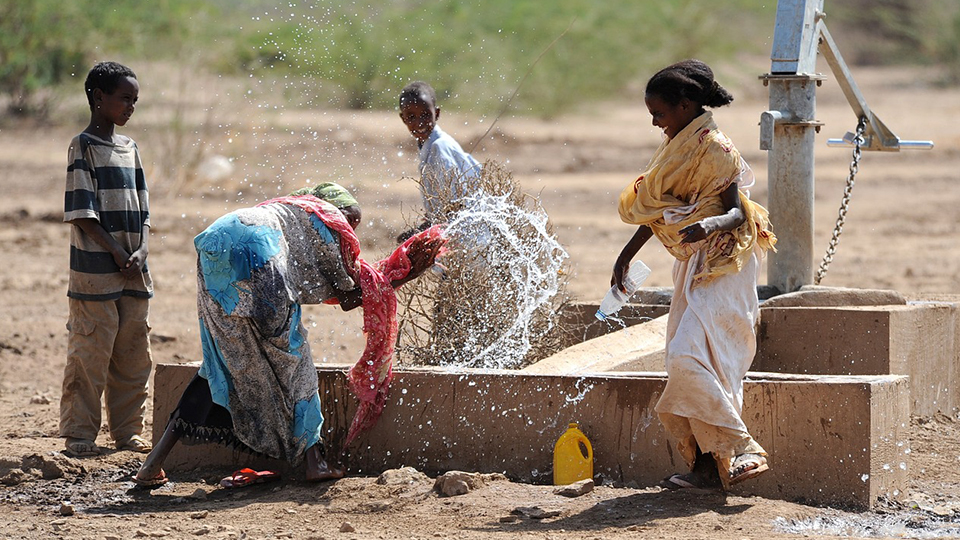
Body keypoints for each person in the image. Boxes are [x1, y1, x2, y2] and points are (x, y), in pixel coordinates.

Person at [134, 183, 445, 487]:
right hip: (261, 256)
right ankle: (315, 462)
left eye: (356, 223)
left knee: (220, 360)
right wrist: (405, 271)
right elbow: (350, 297)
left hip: (216, 244)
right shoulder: (327, 220)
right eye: (350, 217)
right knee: (295, 360)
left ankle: (153, 464)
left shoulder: (287, 211)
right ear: (332, 207)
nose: (351, 228)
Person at [611, 60, 777, 490]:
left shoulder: (716, 148)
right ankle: (707, 468)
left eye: (659, 113)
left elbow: (737, 211)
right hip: (691, 260)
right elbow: (662, 208)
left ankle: (742, 449)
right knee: (688, 360)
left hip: (725, 260)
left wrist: (710, 225)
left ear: (686, 105)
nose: (654, 122)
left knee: (695, 356)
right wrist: (626, 254)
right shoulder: (674, 146)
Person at [59, 61, 154, 457]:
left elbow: (144, 209)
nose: (130, 106)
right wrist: (116, 251)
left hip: (133, 271)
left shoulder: (130, 148)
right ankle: (79, 435)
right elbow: (82, 212)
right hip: (96, 273)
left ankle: (128, 432)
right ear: (99, 98)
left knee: (133, 354)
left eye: (135, 100)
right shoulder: (82, 146)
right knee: (90, 353)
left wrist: (141, 249)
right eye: (123, 99)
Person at [397, 81, 482, 242]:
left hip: (468, 232)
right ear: (403, 118)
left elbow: (454, 206)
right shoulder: (427, 145)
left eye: (425, 115)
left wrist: (424, 230)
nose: (419, 123)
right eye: (411, 117)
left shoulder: (439, 147)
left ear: (437, 113)